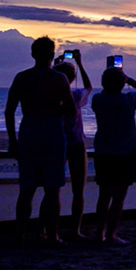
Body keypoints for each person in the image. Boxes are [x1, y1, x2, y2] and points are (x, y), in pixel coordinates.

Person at [5, 36, 75, 244]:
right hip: (52, 133)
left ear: (33, 54)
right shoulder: (59, 79)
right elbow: (71, 110)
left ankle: (20, 234)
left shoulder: (22, 77)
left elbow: (9, 111)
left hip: (29, 132)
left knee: (26, 190)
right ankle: (52, 235)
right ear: (52, 55)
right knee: (52, 190)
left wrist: (12, 139)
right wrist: (55, 107)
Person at [89, 62, 136, 245]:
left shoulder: (98, 100)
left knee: (104, 195)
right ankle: (111, 234)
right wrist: (128, 79)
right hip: (126, 151)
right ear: (122, 83)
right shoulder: (128, 100)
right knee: (119, 196)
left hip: (104, 151)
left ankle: (99, 234)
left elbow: (104, 92)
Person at [54, 50, 93, 239]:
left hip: (56, 141)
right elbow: (89, 87)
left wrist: (54, 67)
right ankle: (75, 230)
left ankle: (48, 229)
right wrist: (80, 63)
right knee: (78, 190)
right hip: (76, 143)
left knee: (52, 189)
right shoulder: (75, 95)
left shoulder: (51, 97)